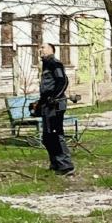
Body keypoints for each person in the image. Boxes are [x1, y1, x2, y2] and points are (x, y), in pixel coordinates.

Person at [35, 42, 75, 175]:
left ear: (51, 50)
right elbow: (46, 88)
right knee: (47, 137)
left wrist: (54, 97)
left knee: (56, 134)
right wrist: (40, 103)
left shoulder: (55, 63)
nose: (40, 50)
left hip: (56, 105)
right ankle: (55, 164)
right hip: (47, 105)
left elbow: (62, 81)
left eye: (43, 47)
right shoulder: (46, 65)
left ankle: (66, 166)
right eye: (40, 48)